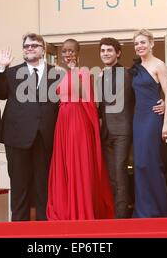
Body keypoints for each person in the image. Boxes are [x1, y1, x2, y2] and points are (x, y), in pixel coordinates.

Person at [0, 33, 59, 221]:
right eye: (26, 46)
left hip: (46, 137)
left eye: (34, 45)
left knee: (43, 188)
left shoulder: (57, 73)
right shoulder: (11, 72)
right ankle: (18, 230)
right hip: (17, 138)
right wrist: (1, 69)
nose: (29, 48)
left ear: (43, 50)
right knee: (19, 188)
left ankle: (44, 233)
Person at [47, 38, 114, 220]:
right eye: (65, 51)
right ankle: (66, 209)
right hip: (63, 123)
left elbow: (90, 103)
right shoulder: (59, 74)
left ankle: (81, 209)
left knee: (78, 163)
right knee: (65, 164)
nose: (68, 54)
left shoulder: (84, 73)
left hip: (78, 122)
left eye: (71, 51)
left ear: (78, 53)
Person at [98, 37, 164, 218]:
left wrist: (163, 102)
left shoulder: (130, 73)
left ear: (118, 53)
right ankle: (113, 216)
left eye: (109, 50)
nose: (106, 54)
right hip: (105, 134)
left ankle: (120, 220)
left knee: (120, 175)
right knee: (111, 178)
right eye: (103, 51)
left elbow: (146, 90)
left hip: (123, 131)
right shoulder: (99, 76)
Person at [130, 29, 167, 218]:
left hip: (152, 118)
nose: (140, 46)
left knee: (150, 163)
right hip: (138, 119)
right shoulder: (136, 68)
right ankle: (142, 211)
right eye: (137, 44)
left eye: (143, 42)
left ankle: (159, 211)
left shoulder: (159, 65)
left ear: (152, 43)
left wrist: (166, 123)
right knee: (139, 164)